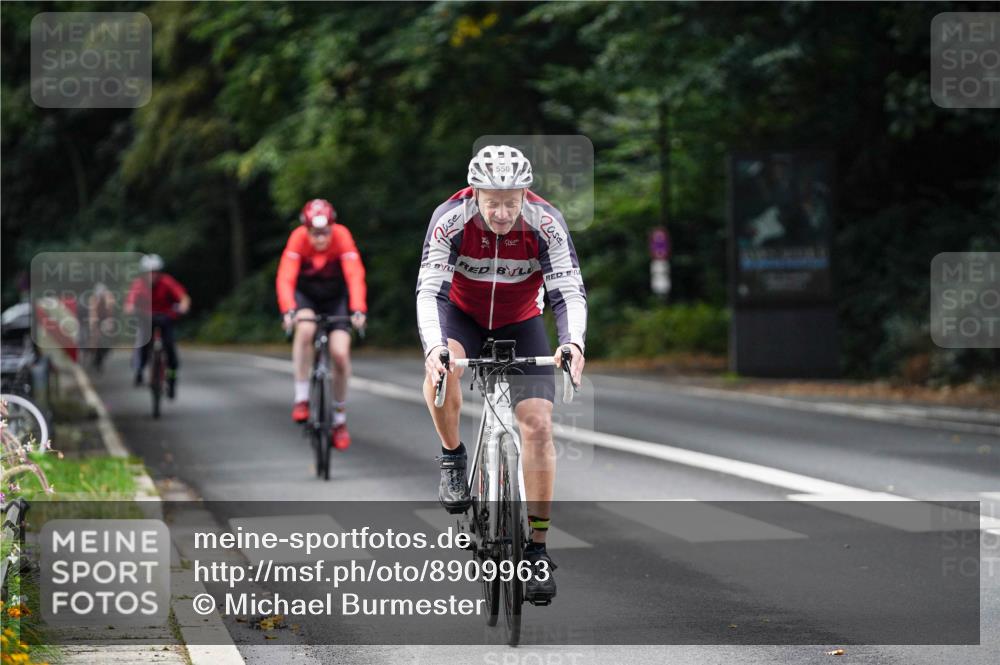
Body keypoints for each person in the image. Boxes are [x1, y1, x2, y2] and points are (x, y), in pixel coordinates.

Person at [416, 145, 587, 603]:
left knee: (538, 426)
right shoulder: (450, 219)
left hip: (521, 320)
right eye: (492, 202)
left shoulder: (545, 222)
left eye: (512, 202)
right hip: (462, 317)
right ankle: (452, 457)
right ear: (475, 193)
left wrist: (572, 343)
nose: (502, 213)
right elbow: (430, 291)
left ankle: (536, 549)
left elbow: (568, 292)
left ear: (525, 193)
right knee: (442, 373)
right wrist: (435, 349)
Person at [276, 198, 367, 450]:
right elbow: (286, 276)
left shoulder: (342, 236)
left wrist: (358, 309)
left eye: (325, 232)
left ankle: (339, 420)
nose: (320, 238)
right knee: (305, 328)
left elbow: (354, 274)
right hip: (307, 297)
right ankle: (302, 397)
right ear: (306, 229)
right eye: (314, 233)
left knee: (340, 354)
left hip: (335, 299)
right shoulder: (297, 238)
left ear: (332, 227)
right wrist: (288, 310)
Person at [124, 254, 191, 398]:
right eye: (149, 272)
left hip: (165, 318)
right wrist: (130, 308)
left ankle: (172, 379)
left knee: (170, 348)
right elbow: (130, 301)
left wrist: (183, 306)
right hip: (146, 318)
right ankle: (140, 370)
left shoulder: (167, 282)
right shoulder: (138, 284)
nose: (152, 276)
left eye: (155, 272)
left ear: (160, 272)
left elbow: (183, 297)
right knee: (142, 345)